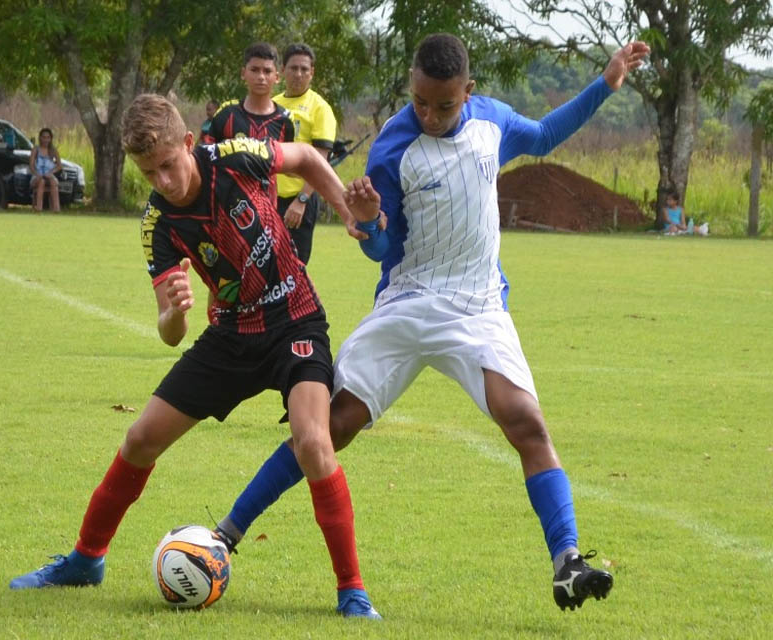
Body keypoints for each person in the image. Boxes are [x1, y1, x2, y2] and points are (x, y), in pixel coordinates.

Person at [214, 33, 651, 613]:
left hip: (477, 308)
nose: (430, 114)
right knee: (330, 426)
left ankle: (567, 560)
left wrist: (606, 83)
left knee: (527, 423)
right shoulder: (393, 147)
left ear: (467, 92)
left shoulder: (493, 122)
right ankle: (227, 533)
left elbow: (545, 134)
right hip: (408, 302)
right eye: (420, 101)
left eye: (444, 105)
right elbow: (381, 249)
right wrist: (369, 223)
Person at [8, 93, 381, 619]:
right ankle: (85, 560)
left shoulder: (235, 154)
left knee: (314, 441)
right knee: (140, 439)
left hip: (294, 318)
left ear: (189, 144)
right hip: (229, 338)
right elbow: (168, 332)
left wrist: (344, 209)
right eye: (148, 173)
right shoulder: (156, 223)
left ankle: (352, 590)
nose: (162, 181)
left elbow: (307, 159)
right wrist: (175, 313)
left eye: (167, 165)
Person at [274, 43, 338, 265]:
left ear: (312, 72)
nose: (298, 74)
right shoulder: (273, 105)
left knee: (293, 272)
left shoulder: (320, 108)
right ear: (282, 70)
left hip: (299, 200)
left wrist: (301, 200)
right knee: (263, 271)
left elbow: (320, 160)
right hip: (269, 199)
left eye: (304, 69)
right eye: (293, 68)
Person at [201, 42, 294, 147]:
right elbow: (206, 156)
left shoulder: (285, 121)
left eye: (267, 71)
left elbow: (289, 161)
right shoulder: (226, 115)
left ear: (277, 77)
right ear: (243, 73)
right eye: (254, 70)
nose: (261, 77)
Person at [29, 128, 63, 212]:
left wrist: (51, 172)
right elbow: (31, 166)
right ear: (40, 138)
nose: (46, 140)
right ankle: (39, 207)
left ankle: (56, 208)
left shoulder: (53, 150)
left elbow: (59, 166)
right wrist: (37, 174)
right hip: (37, 176)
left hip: (49, 175)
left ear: (51, 139)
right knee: (42, 181)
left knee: (53, 181)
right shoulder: (35, 150)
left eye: (48, 137)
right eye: (44, 137)